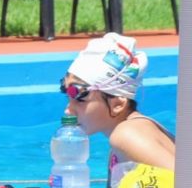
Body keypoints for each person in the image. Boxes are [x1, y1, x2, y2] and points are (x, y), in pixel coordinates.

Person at [61, 33, 174, 180]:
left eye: (80, 100)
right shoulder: (122, 140)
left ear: (118, 104)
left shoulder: (126, 135)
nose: (68, 110)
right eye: (68, 98)